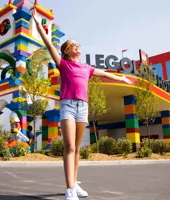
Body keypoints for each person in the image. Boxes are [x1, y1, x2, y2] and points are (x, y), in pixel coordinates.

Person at [31, 8, 133, 200]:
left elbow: (104, 73)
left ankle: (74, 183)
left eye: (78, 44)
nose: (78, 45)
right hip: (68, 106)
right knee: (69, 147)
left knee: (77, 149)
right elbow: (47, 43)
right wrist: (37, 23)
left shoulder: (86, 67)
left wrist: (122, 79)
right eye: (73, 44)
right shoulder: (63, 64)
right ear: (66, 51)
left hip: (83, 107)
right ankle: (69, 190)